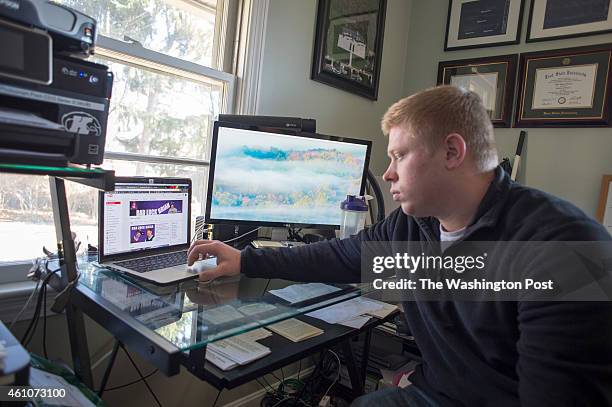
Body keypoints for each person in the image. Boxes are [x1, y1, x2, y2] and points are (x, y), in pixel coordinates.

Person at [188, 86, 612, 406]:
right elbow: (342, 256)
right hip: (434, 393)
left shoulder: (565, 248)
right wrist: (246, 259)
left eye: (399, 156)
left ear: (452, 151)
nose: (387, 174)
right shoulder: (414, 225)